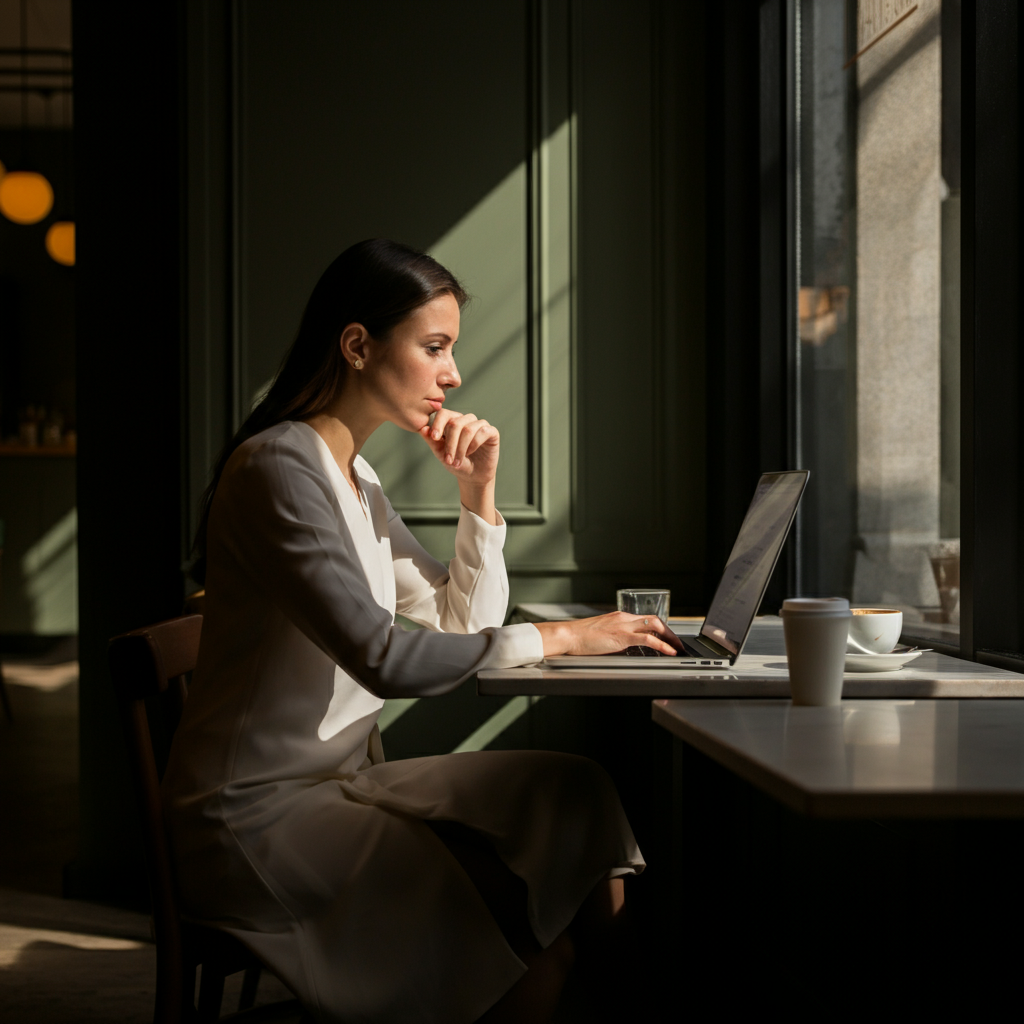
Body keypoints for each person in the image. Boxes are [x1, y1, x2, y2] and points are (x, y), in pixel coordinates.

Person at [163, 239, 682, 1023]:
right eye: (435, 348)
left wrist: (479, 498)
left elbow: (459, 623)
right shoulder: (277, 469)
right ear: (358, 345)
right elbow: (384, 659)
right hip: (256, 818)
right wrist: (564, 638)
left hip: (337, 787)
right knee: (535, 958)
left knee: (575, 793)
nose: (454, 375)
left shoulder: (354, 477)